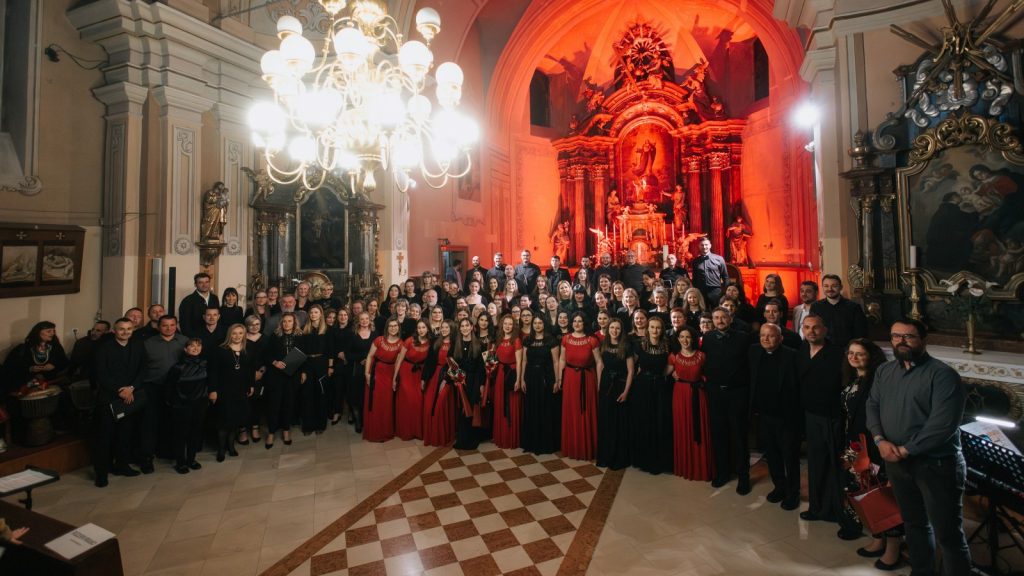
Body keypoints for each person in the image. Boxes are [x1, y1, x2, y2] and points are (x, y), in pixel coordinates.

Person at [866, 320, 970, 576]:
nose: (901, 341)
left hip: (936, 464)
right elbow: (872, 406)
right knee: (914, 524)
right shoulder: (885, 371)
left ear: (924, 340)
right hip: (897, 463)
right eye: (895, 336)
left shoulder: (943, 375)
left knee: (948, 534)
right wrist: (880, 440)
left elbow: (943, 425)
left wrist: (904, 450)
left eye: (908, 337)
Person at [841, 338, 904, 570]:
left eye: (860, 354)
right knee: (864, 491)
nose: (854, 357)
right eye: (851, 353)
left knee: (882, 493)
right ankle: (878, 538)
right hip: (853, 444)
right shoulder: (852, 377)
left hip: (872, 444)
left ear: (872, 356)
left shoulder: (878, 380)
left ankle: (893, 548)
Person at [799, 313, 861, 540]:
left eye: (816, 328)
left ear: (825, 330)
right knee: (815, 464)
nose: (811, 331)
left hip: (833, 417)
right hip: (810, 415)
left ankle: (840, 513)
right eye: (807, 327)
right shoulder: (801, 352)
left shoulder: (838, 354)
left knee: (837, 467)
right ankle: (816, 508)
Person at [749, 323, 802, 509]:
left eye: (770, 336)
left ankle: (793, 493)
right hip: (765, 415)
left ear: (780, 338)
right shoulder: (754, 352)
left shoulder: (792, 356)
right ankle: (779, 486)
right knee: (772, 455)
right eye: (763, 335)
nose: (765, 339)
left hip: (787, 416)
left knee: (790, 456)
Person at [701, 306, 751, 493]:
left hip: (737, 393)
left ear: (730, 319)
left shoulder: (743, 338)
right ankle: (722, 473)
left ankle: (743, 476)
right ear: (712, 320)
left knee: (739, 436)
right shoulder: (708, 338)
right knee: (719, 435)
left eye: (723, 317)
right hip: (715, 394)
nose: (720, 320)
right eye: (716, 318)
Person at [92, 318, 144, 487]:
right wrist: (119, 391)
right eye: (121, 329)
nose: (125, 332)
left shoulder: (137, 345)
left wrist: (131, 388)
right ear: (114, 330)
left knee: (125, 434)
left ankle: (122, 465)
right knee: (104, 436)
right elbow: (101, 374)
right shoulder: (104, 348)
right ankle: (101, 473)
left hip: (130, 396)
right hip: (109, 397)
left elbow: (143, 369)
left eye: (129, 329)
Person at [138, 315, 189, 473]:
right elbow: (141, 366)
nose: (169, 328)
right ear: (159, 327)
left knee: (174, 423)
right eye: (165, 325)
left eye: (172, 325)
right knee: (150, 423)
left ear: (176, 325)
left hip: (176, 389)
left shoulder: (184, 341)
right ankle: (147, 458)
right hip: (154, 387)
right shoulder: (148, 343)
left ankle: (172, 454)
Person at [630, 315, 673, 474]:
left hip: (660, 387)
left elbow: (670, 366)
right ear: (647, 329)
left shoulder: (667, 345)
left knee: (659, 422)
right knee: (644, 422)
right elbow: (631, 366)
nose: (655, 330)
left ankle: (659, 461)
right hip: (642, 387)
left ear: (662, 330)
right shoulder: (639, 345)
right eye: (652, 327)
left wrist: (663, 376)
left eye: (658, 327)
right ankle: (644, 460)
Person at [557, 313, 602, 461]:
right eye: (574, 321)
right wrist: (559, 379)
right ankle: (572, 446)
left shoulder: (592, 340)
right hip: (570, 378)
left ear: (585, 323)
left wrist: (599, 382)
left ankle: (587, 448)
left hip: (588, 378)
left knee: (586, 412)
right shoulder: (566, 339)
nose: (577, 323)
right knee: (572, 412)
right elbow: (562, 359)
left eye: (580, 321)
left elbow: (599, 362)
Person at [165, 338, 208, 473]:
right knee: (180, 434)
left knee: (195, 433)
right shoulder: (177, 367)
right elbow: (169, 388)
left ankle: (191, 459)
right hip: (182, 405)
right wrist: (174, 403)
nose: (195, 348)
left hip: (200, 403)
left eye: (198, 345)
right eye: (192, 346)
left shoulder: (205, 364)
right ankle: (181, 462)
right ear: (185, 349)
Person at [596, 318, 633, 470]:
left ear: (621, 330)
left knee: (618, 422)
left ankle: (617, 457)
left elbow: (631, 371)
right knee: (606, 422)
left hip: (620, 385)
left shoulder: (626, 345)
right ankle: (605, 456)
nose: (614, 331)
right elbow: (600, 365)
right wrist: (599, 385)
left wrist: (626, 392)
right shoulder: (603, 343)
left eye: (617, 328)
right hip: (606, 386)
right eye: (612, 328)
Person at [521, 316, 561, 455]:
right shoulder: (528, 340)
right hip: (531, 377)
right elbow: (524, 361)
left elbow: (556, 362)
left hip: (546, 377)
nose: (537, 325)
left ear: (544, 324)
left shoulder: (551, 340)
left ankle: (545, 443)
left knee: (545, 408)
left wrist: (557, 380)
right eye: (535, 323)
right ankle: (532, 442)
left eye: (540, 323)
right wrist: (522, 379)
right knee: (532, 408)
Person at [265, 312, 302, 448]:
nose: (287, 324)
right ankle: (271, 432)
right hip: (276, 374)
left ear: (294, 323)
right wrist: (275, 362)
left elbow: (304, 355)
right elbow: (267, 354)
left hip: (293, 375)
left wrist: (303, 372)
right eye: (284, 321)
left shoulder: (299, 336)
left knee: (289, 402)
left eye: (290, 321)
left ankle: (286, 430)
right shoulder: (275, 336)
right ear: (281, 323)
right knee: (274, 404)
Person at [3, 321, 69, 394]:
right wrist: (30, 368)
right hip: (28, 385)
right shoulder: (24, 348)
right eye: (49, 331)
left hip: (50, 384)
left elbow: (64, 362)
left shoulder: (56, 347)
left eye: (53, 331)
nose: (52, 333)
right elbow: (11, 366)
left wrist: (53, 365)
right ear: (38, 332)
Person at [364, 317, 401, 442]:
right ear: (387, 328)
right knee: (376, 402)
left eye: (395, 325)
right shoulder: (379, 340)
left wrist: (395, 379)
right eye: (390, 326)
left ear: (398, 327)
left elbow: (398, 363)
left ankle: (385, 431)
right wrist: (367, 374)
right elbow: (369, 356)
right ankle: (375, 431)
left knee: (387, 403)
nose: (393, 328)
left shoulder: (401, 344)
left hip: (389, 374)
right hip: (376, 373)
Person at [393, 319, 431, 441]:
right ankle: (406, 431)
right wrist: (395, 378)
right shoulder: (409, 341)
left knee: (418, 402)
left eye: (423, 327)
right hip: (407, 372)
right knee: (408, 401)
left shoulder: (431, 342)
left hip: (420, 373)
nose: (421, 330)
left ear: (428, 329)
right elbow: (399, 359)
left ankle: (417, 431)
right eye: (419, 328)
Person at [451, 318, 486, 450]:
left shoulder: (479, 344)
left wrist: (481, 385)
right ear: (459, 329)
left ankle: (473, 439)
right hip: (460, 381)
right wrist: (457, 378)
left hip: (474, 381)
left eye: (467, 325)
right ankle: (462, 439)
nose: (465, 328)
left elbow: (482, 368)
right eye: (462, 326)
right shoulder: (455, 344)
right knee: (462, 410)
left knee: (472, 409)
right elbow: (450, 363)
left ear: (472, 327)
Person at [491, 315, 524, 449]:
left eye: (510, 324)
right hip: (499, 374)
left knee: (511, 405)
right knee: (500, 405)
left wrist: (518, 379)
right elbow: (493, 359)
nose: (508, 326)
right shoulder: (498, 340)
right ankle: (501, 436)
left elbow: (519, 362)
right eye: (505, 323)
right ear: (502, 325)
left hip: (511, 374)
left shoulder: (516, 341)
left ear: (514, 326)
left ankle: (511, 438)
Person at [422, 320, 456, 447]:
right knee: (430, 406)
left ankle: (442, 436)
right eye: (442, 327)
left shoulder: (455, 343)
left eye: (447, 327)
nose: (444, 329)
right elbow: (429, 361)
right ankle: (432, 435)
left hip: (448, 377)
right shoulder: (436, 341)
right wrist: (424, 379)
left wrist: (446, 379)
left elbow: (455, 365)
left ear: (451, 329)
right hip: (435, 376)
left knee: (441, 406)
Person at [810, 274, 867, 347]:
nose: (830, 289)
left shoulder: (853, 307)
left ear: (841, 287)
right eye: (826, 286)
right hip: (823, 349)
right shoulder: (816, 306)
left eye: (834, 286)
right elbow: (813, 329)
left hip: (847, 350)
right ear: (822, 287)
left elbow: (860, 332)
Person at [299, 305, 330, 435]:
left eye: (316, 312)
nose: (313, 314)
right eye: (311, 312)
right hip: (307, 364)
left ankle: (320, 425)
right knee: (307, 395)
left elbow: (330, 350)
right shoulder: (304, 330)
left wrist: (330, 367)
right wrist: (303, 370)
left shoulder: (327, 330)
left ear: (320, 314)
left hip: (322, 364)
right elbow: (300, 351)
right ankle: (308, 426)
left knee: (321, 394)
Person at [346, 312, 376, 433]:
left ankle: (368, 421)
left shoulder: (375, 334)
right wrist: (362, 358)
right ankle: (358, 422)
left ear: (370, 320)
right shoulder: (352, 334)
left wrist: (368, 359)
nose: (364, 321)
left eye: (366, 319)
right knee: (356, 396)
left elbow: (378, 351)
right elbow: (347, 354)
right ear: (358, 321)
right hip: (355, 369)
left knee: (368, 395)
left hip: (371, 369)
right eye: (361, 319)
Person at [242, 315, 268, 444]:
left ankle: (255, 427)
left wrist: (262, 371)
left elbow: (269, 357)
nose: (254, 327)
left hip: (261, 374)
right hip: (244, 375)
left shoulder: (265, 339)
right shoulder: (241, 338)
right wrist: (250, 374)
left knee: (257, 402)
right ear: (246, 325)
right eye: (251, 324)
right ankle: (242, 430)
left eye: (257, 324)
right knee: (243, 402)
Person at [177, 273, 219, 337]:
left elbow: (217, 318)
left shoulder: (214, 298)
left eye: (207, 282)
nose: (204, 285)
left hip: (214, 337)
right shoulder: (187, 300)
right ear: (195, 284)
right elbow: (184, 324)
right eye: (200, 282)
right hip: (196, 339)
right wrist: (193, 340)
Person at [690, 237, 728, 306]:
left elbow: (725, 277)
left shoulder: (719, 259)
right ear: (699, 246)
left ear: (710, 245)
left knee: (717, 312)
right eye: (702, 245)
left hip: (716, 292)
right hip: (701, 292)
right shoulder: (695, 261)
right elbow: (694, 279)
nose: (704, 247)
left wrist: (725, 292)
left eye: (706, 245)